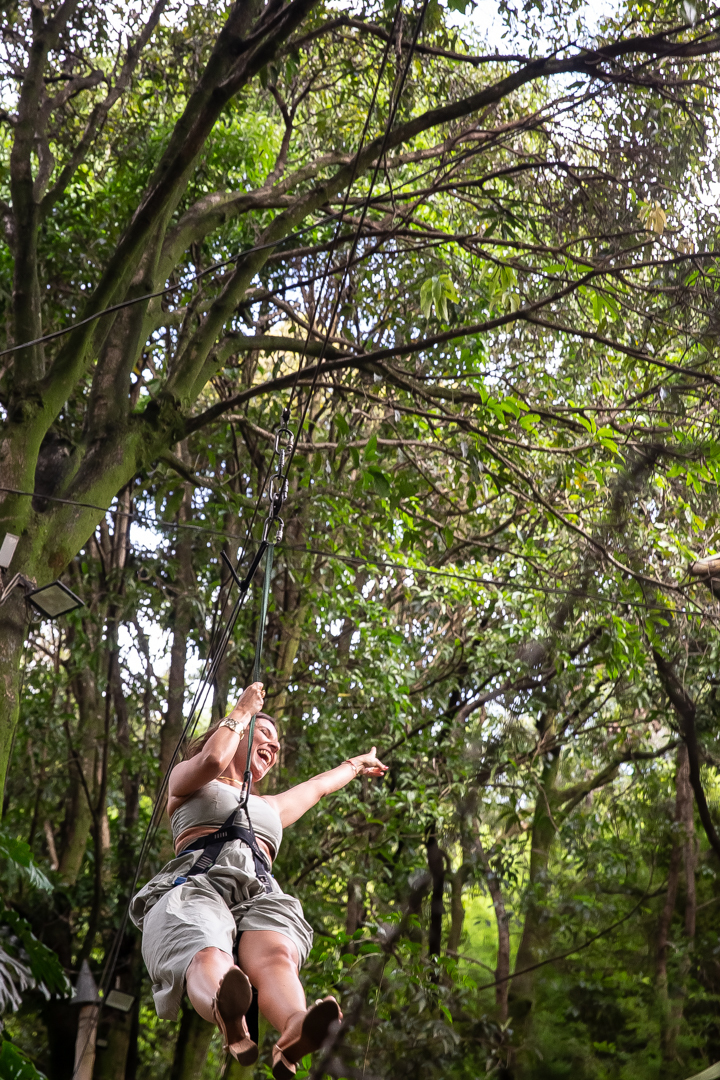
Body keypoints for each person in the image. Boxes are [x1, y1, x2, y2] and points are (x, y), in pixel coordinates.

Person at [130, 681, 387, 1079]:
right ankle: (225, 1009)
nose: (275, 744)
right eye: (264, 733)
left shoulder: (270, 806)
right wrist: (243, 710)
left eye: (277, 740)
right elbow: (213, 760)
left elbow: (317, 788)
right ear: (238, 733)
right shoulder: (186, 781)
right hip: (198, 883)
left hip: (259, 893)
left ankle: (294, 1027)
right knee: (206, 950)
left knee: (278, 957)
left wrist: (356, 765)